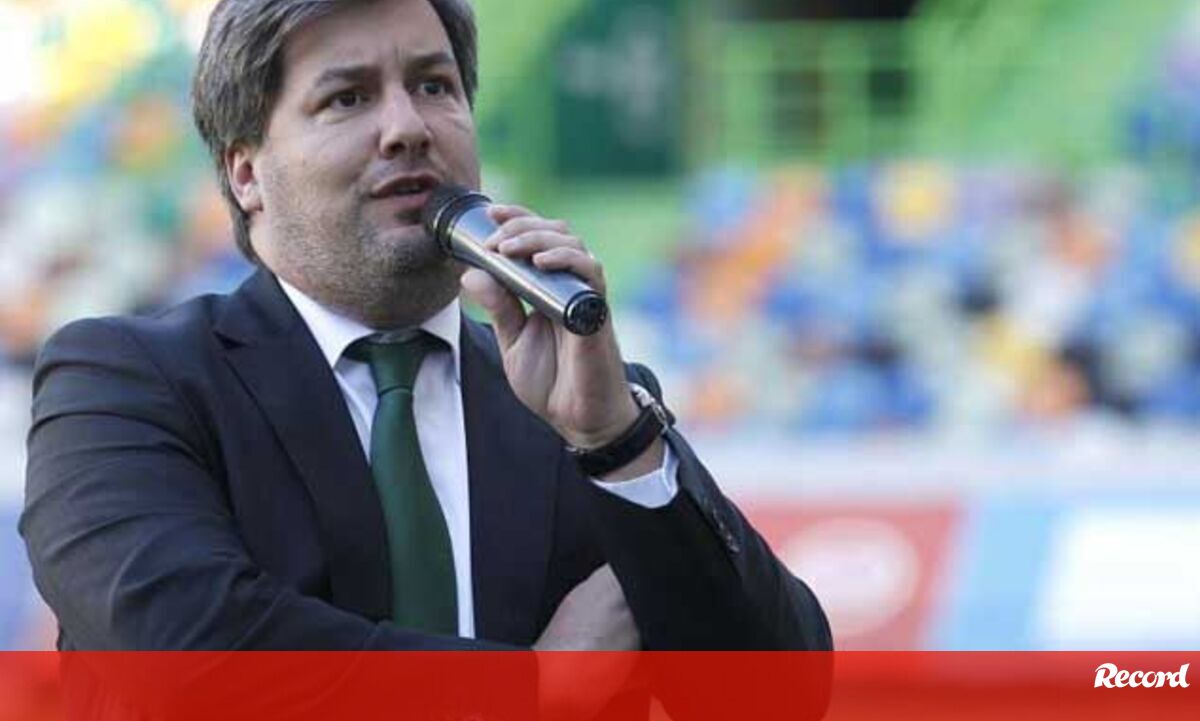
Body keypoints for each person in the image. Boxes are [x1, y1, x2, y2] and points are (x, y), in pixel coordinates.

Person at [22, 0, 828, 673]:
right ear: (245, 172)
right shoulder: (124, 382)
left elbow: (780, 691)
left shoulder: (583, 406)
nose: (407, 127)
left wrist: (617, 444)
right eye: (347, 98)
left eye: (434, 86)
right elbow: (184, 647)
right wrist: (531, 686)